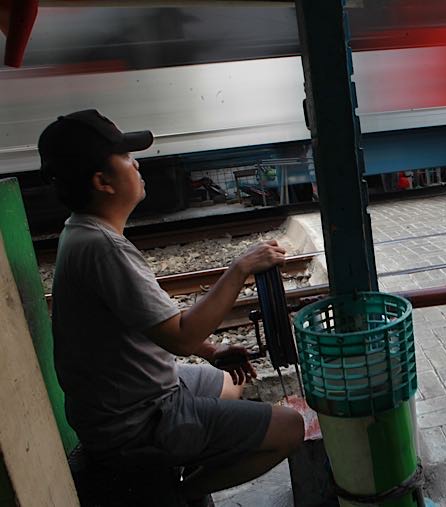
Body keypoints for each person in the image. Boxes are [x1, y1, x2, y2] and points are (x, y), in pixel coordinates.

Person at [40, 110, 305, 502]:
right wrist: (240, 268)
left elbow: (156, 323)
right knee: (289, 427)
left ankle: (187, 467)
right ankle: (181, 495)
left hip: (131, 394)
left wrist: (213, 351)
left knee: (230, 386)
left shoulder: (80, 231)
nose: (137, 163)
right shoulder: (104, 249)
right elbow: (181, 337)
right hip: (136, 420)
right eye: (127, 158)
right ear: (102, 181)